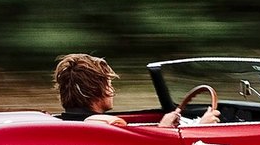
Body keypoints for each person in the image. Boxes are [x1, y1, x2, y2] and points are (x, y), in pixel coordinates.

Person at [53, 53, 218, 127]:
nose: (112, 89)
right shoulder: (109, 127)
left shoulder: (62, 122)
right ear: (96, 89)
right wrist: (200, 125)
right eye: (109, 83)